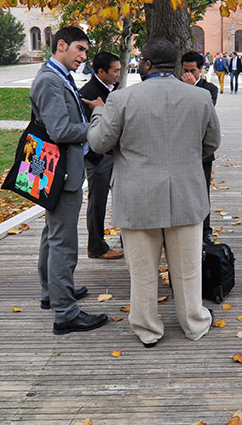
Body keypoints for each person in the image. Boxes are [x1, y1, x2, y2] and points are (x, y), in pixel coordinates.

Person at [88, 38, 220, 347]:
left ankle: (147, 328)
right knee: (188, 270)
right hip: (186, 195)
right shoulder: (200, 97)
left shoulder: (121, 100)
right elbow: (211, 144)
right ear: (172, 65)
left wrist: (97, 113)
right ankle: (193, 323)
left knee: (143, 272)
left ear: (146, 65)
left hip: (138, 198)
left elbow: (98, 143)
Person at [32, 26, 108, 334]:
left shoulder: (56, 76)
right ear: (61, 45)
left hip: (58, 170)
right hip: (62, 172)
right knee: (63, 241)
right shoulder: (50, 81)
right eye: (79, 49)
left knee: (53, 233)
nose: (83, 56)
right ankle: (65, 313)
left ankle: (54, 293)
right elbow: (60, 130)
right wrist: (94, 123)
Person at [79, 51, 124, 261]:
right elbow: (91, 129)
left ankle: (128, 240)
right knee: (98, 203)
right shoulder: (89, 93)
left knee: (123, 197)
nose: (118, 74)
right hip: (98, 157)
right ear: (100, 72)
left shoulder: (110, 89)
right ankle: (96, 246)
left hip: (113, 155)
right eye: (115, 71)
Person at [182, 50, 219, 245]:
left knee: (203, 192)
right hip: (181, 149)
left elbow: (205, 112)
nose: (189, 75)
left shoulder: (209, 89)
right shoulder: (177, 87)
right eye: (186, 70)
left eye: (193, 71)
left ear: (201, 69)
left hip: (203, 150)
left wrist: (190, 90)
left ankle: (206, 229)